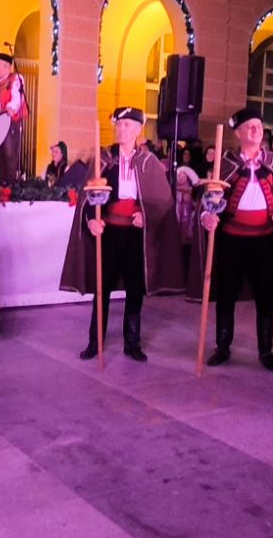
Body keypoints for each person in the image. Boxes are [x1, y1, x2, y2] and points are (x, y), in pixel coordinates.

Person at [60, 108, 185, 361]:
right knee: (102, 287)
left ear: (138, 130)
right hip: (109, 233)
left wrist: (146, 216)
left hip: (135, 235)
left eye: (127, 125)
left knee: (135, 288)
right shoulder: (104, 159)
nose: (121, 129)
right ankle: (95, 341)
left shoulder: (149, 162)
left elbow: (162, 201)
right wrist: (91, 220)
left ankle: (132, 343)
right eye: (119, 125)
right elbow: (88, 196)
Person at [199, 107, 273, 370]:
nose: (255, 130)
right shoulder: (226, 164)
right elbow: (207, 198)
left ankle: (266, 351)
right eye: (249, 126)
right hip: (232, 239)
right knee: (226, 294)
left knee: (266, 296)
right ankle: (223, 346)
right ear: (238, 133)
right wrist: (207, 215)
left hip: (265, 240)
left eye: (259, 126)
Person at [0, 48, 28, 181]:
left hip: (10, 122)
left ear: (6, 67)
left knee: (10, 154)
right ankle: (3, 184)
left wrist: (9, 109)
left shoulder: (15, 79)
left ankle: (11, 185)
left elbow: (17, 99)